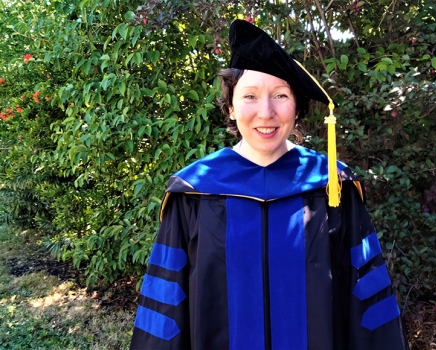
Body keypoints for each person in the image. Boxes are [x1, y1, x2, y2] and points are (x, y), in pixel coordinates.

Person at [130, 19, 408, 350]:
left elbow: (370, 304)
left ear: (297, 108)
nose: (266, 112)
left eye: (280, 95)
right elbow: (165, 306)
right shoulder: (195, 192)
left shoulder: (333, 187)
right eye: (250, 96)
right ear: (231, 108)